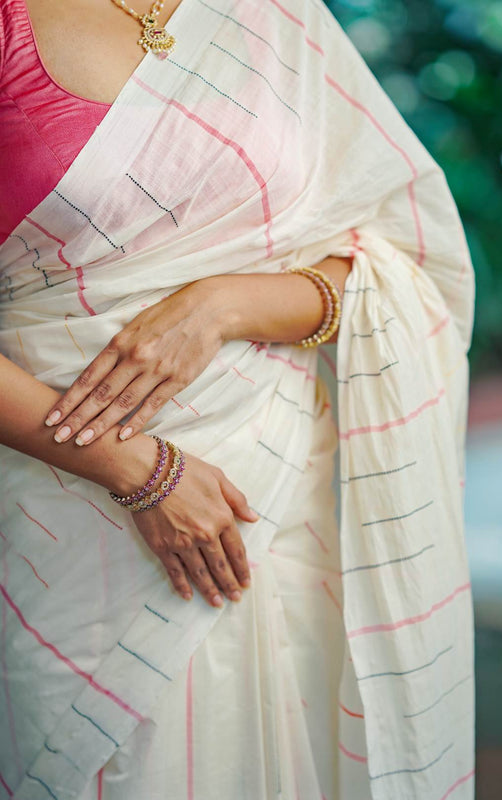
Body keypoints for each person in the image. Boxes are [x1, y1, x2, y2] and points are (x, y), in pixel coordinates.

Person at [0, 0, 477, 798]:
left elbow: (403, 261)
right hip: (74, 517)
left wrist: (222, 304)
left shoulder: (274, 15)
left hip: (294, 498)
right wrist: (135, 467)